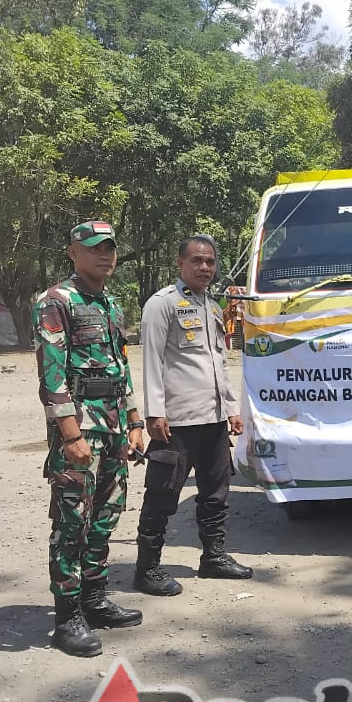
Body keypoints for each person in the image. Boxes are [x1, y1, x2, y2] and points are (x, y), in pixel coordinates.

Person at [34, 220, 146, 658]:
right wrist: (69, 434)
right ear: (73, 252)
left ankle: (95, 598)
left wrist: (134, 418)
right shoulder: (56, 301)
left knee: (106, 515)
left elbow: (121, 364)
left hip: (114, 424)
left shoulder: (111, 304)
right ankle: (67, 616)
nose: (106, 255)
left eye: (111, 249)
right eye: (96, 248)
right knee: (71, 520)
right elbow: (51, 374)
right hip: (79, 426)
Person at [134, 234, 251, 595]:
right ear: (180, 263)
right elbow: (151, 359)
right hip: (177, 420)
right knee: (163, 492)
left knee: (215, 492)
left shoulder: (213, 306)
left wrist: (231, 408)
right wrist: (154, 413)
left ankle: (213, 557)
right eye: (197, 261)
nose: (204, 267)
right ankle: (147, 568)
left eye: (210, 262)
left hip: (213, 419)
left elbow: (218, 363)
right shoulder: (162, 304)